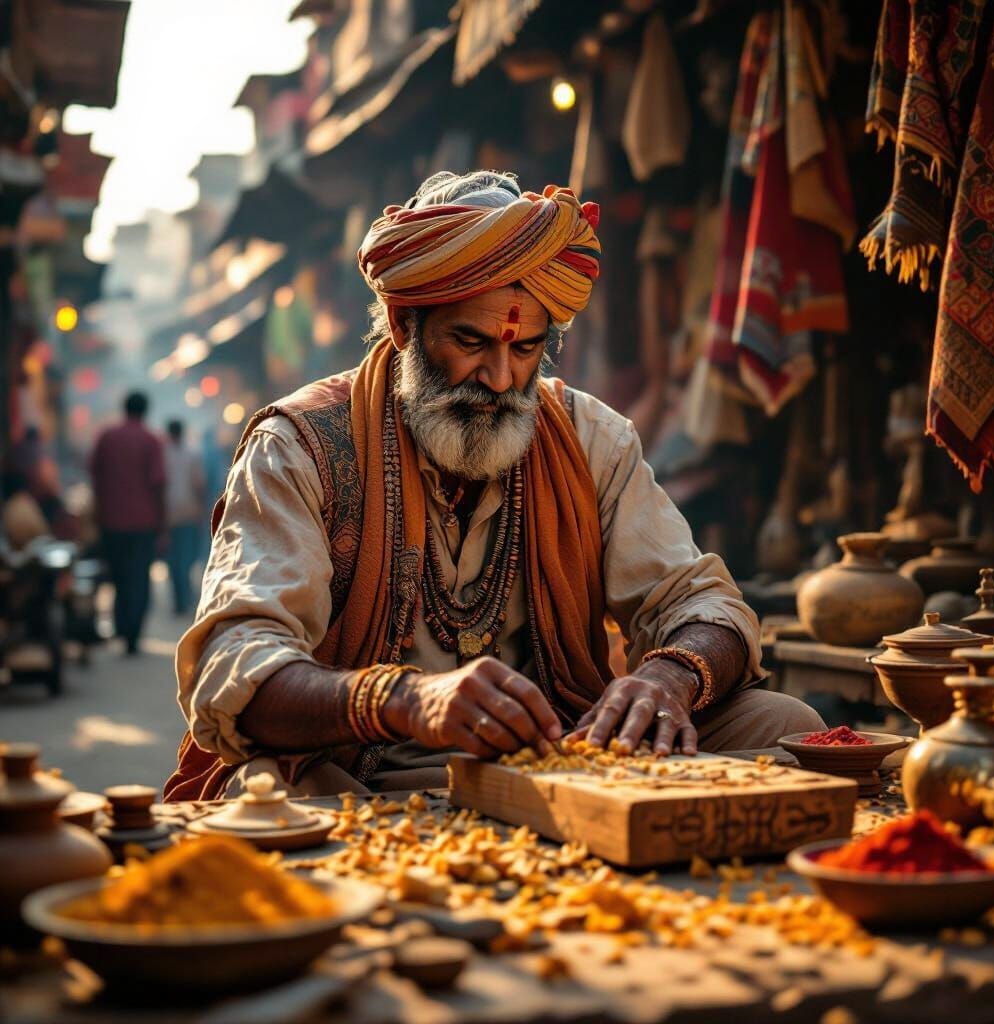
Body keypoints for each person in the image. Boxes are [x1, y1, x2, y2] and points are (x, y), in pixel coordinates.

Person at [166, 171, 823, 801]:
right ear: (402, 325)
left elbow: (704, 601)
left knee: (783, 724)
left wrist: (668, 677)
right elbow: (236, 659)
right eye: (472, 342)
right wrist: (404, 701)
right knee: (268, 790)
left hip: (564, 762)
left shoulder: (589, 437)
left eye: (526, 349)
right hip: (363, 772)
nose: (502, 378)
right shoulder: (300, 445)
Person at [89, 392, 165, 655]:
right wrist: (162, 524)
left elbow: (95, 478)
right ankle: (133, 632)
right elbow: (158, 485)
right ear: (145, 411)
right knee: (139, 578)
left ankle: (122, 627)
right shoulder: (150, 440)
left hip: (111, 520)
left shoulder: (107, 437)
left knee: (119, 577)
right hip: (143, 522)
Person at [163, 420, 206, 615]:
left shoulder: (162, 454)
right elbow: (199, 484)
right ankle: (186, 597)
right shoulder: (193, 453)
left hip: (168, 515)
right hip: (189, 513)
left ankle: (179, 600)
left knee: (173, 561)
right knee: (186, 560)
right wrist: (202, 510)